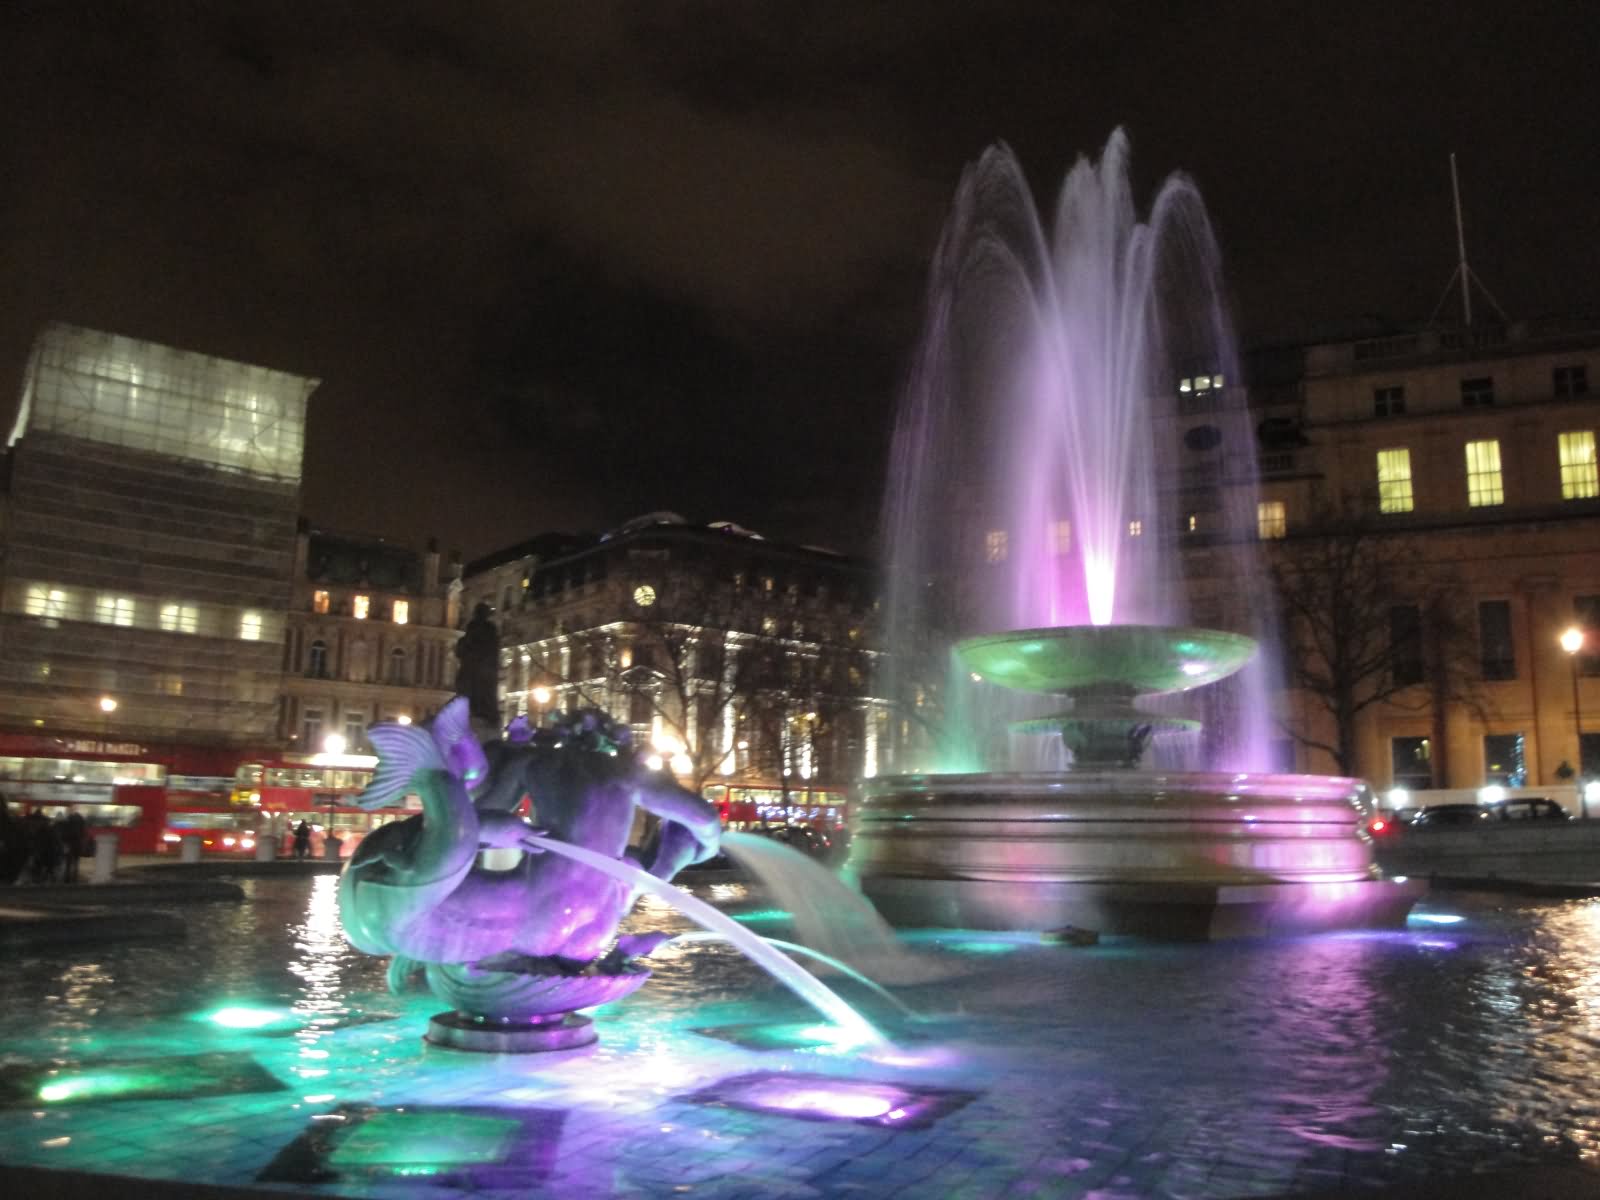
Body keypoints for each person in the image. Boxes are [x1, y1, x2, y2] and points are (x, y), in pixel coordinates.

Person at [56, 809, 88, 883]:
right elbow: (83, 836)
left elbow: (64, 836)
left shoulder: (67, 825)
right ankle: (74, 877)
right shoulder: (80, 827)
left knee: (68, 863)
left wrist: (64, 844)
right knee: (76, 863)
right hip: (76, 846)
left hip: (69, 846)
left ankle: (67, 878)